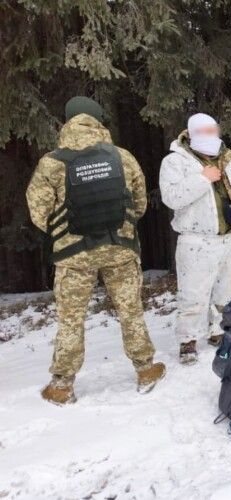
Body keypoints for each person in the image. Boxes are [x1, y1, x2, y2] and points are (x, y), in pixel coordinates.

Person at [26, 96, 165, 404]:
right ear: (99, 119)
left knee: (71, 318)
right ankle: (145, 369)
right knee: (130, 311)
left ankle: (62, 385)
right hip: (121, 249)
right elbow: (140, 203)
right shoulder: (122, 157)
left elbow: (38, 213)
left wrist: (64, 233)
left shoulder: (51, 162)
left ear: (68, 121)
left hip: (74, 256)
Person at [159, 113, 231, 363]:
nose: (211, 135)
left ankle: (220, 330)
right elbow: (171, 197)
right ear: (192, 133)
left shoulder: (230, 158)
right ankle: (188, 340)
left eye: (213, 130)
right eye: (205, 131)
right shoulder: (176, 161)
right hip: (197, 240)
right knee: (194, 293)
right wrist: (203, 178)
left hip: (230, 238)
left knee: (227, 290)